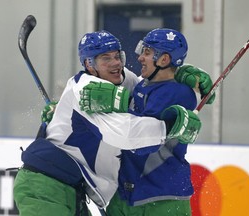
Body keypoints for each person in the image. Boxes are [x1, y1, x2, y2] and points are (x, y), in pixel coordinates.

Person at [13, 30, 212, 216]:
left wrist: (177, 72)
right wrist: (170, 126)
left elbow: (149, 84)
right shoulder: (86, 91)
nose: (116, 63)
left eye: (117, 56)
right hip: (44, 186)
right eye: (106, 58)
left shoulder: (120, 80)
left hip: (70, 187)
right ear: (89, 64)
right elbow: (127, 135)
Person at [79, 28, 210, 216]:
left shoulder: (177, 93)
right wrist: (68, 110)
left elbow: (141, 142)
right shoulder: (143, 84)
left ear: (164, 60)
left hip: (162, 197)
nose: (140, 57)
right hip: (128, 193)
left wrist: (113, 105)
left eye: (147, 52)